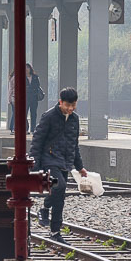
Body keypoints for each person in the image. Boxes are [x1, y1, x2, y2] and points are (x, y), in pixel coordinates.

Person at [30, 87, 88, 244]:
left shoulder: (74, 119)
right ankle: (45, 210)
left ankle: (55, 231)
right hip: (49, 159)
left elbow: (74, 145)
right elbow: (37, 141)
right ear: (60, 102)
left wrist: (79, 166)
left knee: (60, 197)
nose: (70, 109)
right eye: (67, 105)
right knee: (60, 186)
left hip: (65, 162)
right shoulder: (49, 116)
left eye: (73, 105)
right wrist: (34, 165)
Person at [25, 63, 44, 131]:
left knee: (33, 114)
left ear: (30, 69)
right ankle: (26, 128)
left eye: (28, 68)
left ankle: (33, 129)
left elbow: (37, 86)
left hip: (34, 98)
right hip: (25, 98)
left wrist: (30, 89)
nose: (26, 69)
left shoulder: (35, 77)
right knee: (24, 114)